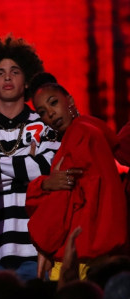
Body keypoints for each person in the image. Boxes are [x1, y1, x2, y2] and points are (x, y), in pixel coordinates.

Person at [0, 34, 60, 281]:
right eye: (0, 72)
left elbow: (44, 169)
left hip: (35, 250)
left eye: (15, 71)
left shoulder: (45, 123)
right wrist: (22, 170)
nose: (7, 77)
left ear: (27, 80)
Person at [26, 72, 128, 281]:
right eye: (43, 112)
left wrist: (45, 244)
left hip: (77, 251)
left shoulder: (78, 135)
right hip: (99, 250)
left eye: (53, 103)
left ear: (70, 100)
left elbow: (66, 196)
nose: (51, 115)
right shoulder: (92, 130)